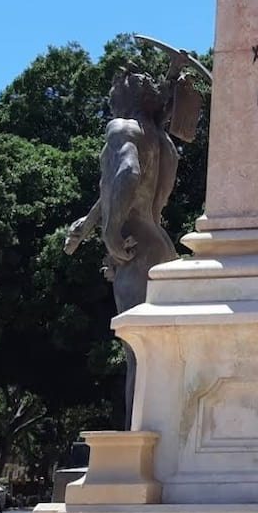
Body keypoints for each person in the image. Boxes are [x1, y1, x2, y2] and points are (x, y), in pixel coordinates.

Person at [65, 69, 180, 425]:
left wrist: (111, 232)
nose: (111, 100)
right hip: (160, 243)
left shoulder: (121, 129)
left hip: (133, 246)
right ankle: (166, 435)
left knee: (137, 352)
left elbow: (126, 174)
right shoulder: (161, 140)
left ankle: (137, 443)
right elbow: (118, 187)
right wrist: (89, 223)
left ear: (126, 95)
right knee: (161, 353)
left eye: (114, 93)